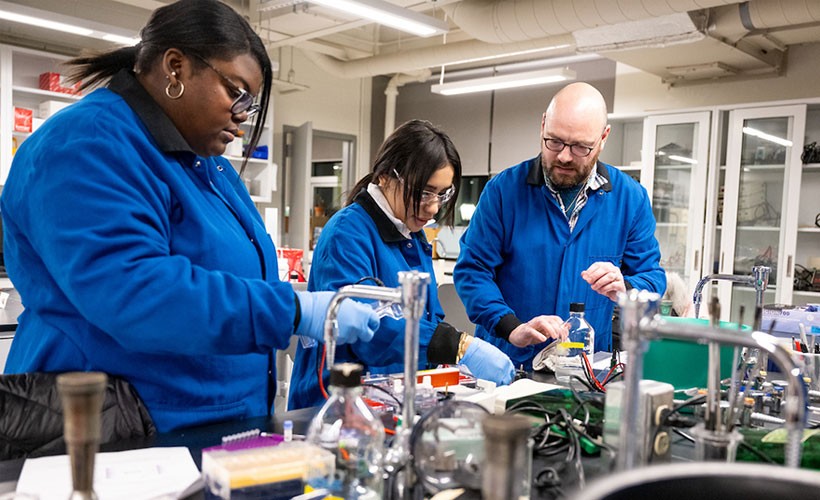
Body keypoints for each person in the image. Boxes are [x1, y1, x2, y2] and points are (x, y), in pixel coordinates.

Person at [0, 0, 379, 433]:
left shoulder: (204, 162)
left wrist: (292, 312)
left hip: (210, 422)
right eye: (236, 93)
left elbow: (232, 273)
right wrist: (293, 311)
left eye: (249, 105)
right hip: (123, 431)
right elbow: (138, 293)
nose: (241, 119)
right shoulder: (84, 144)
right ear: (176, 68)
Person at [288, 120, 516, 410]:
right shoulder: (347, 234)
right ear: (385, 176)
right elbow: (366, 326)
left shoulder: (412, 236)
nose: (433, 207)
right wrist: (457, 346)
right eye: (424, 192)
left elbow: (426, 319)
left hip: (389, 401)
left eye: (442, 194)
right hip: (334, 406)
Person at [454, 82, 666, 368]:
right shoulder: (503, 192)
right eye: (554, 141)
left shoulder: (630, 199)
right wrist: (509, 326)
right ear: (543, 125)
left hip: (585, 367)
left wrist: (626, 287)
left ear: (603, 138)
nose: (564, 156)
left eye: (580, 146)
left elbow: (652, 276)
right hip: (506, 363)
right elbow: (473, 271)